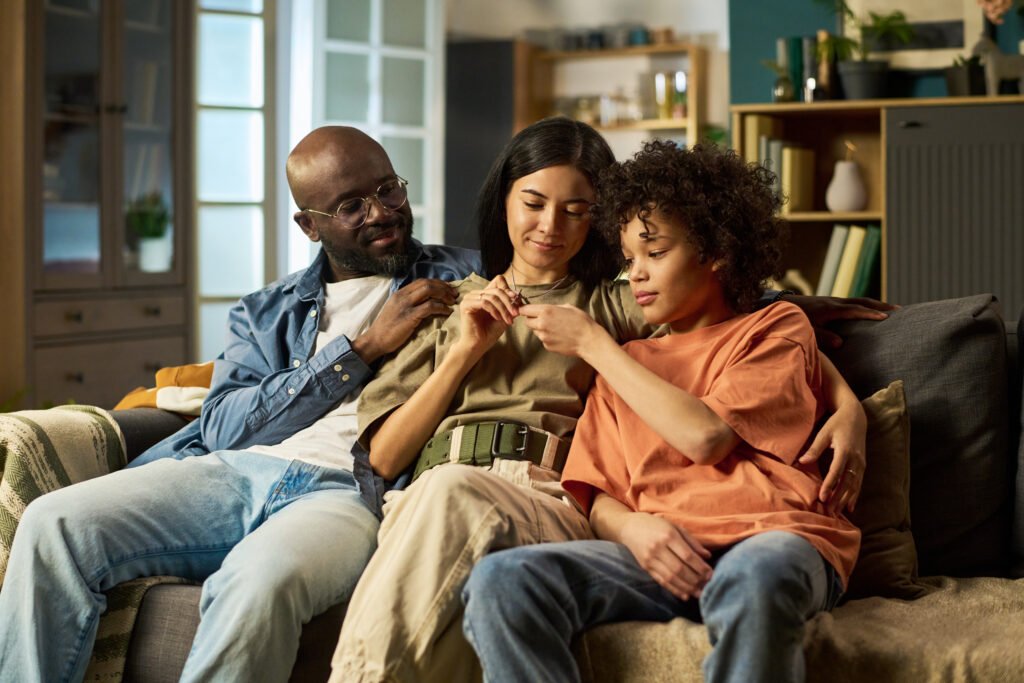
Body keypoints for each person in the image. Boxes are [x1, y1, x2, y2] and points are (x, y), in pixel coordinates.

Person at [331, 118, 873, 683]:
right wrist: (465, 351)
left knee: (453, 498)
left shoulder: (613, 318)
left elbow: (747, 310)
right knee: (479, 558)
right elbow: (385, 460)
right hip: (443, 494)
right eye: (534, 203)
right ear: (505, 200)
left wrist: (847, 403)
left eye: (576, 210)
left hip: (539, 493)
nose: (550, 226)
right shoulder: (458, 310)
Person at [0, 126, 480, 683]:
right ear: (309, 225)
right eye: (351, 205)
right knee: (52, 522)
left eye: (388, 190)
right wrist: (365, 348)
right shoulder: (265, 311)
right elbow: (226, 428)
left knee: (257, 581)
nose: (381, 212)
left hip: (349, 492)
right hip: (233, 475)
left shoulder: (465, 276)